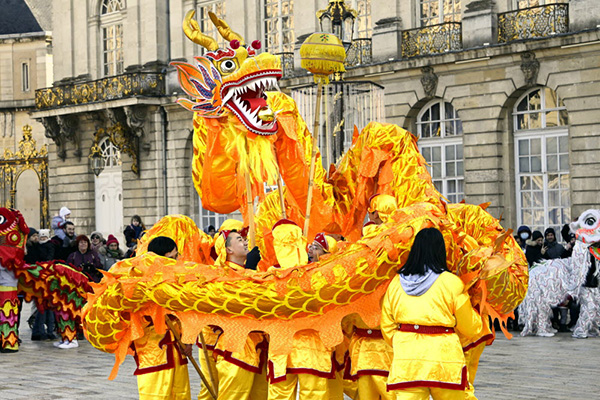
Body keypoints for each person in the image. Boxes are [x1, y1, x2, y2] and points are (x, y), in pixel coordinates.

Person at [381, 227, 483, 400]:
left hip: (407, 358)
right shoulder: (451, 283)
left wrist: (403, 341)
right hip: (444, 359)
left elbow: (387, 326)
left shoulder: (396, 283)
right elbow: (471, 328)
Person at [207, 230, 268, 400]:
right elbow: (237, 303)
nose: (246, 242)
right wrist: (250, 270)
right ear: (229, 250)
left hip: (258, 349)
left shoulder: (254, 271)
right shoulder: (222, 275)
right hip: (236, 350)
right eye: (240, 240)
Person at [133, 236, 192, 400]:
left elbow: (185, 315)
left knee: (182, 396)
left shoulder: (178, 282)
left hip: (178, 352)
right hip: (154, 356)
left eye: (176, 256)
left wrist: (188, 340)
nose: (176, 261)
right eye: (172, 257)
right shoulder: (139, 285)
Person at [30, 228, 57, 341]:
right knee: (41, 307)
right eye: (36, 236)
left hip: (46, 279)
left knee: (47, 307)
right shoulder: (32, 248)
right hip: (37, 280)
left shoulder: (47, 246)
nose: (38, 238)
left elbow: (49, 258)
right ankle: (40, 331)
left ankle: (45, 331)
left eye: (39, 236)